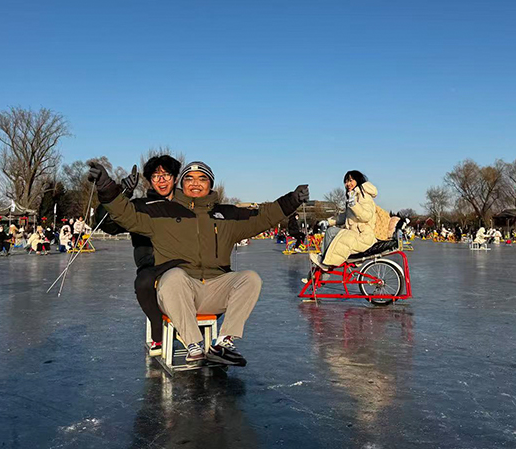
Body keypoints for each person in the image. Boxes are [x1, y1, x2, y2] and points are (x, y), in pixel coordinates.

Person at [89, 160, 308, 367]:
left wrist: (293, 200)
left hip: (214, 290)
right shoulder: (161, 211)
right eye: (190, 178)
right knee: (174, 275)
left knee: (250, 278)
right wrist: (107, 186)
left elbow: (263, 216)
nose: (195, 183)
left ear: (210, 184)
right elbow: (124, 214)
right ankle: (193, 345)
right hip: (178, 292)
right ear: (182, 183)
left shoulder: (226, 215)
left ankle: (223, 343)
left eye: (202, 179)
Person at [97, 155, 182, 357]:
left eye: (166, 175)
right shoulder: (139, 205)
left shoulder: (186, 204)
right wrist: (122, 193)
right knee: (144, 282)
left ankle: (192, 328)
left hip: (181, 260)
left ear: (175, 178)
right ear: (150, 180)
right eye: (156, 176)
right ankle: (157, 328)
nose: (162, 180)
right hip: (151, 262)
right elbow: (107, 224)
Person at [310, 170, 377, 270]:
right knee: (331, 232)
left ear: (357, 180)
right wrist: (328, 221)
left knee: (332, 233)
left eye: (350, 180)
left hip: (363, 235)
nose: (348, 184)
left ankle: (324, 264)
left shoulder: (364, 196)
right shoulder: (353, 195)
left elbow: (366, 216)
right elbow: (345, 216)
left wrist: (354, 205)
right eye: (346, 182)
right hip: (355, 233)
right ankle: (323, 266)